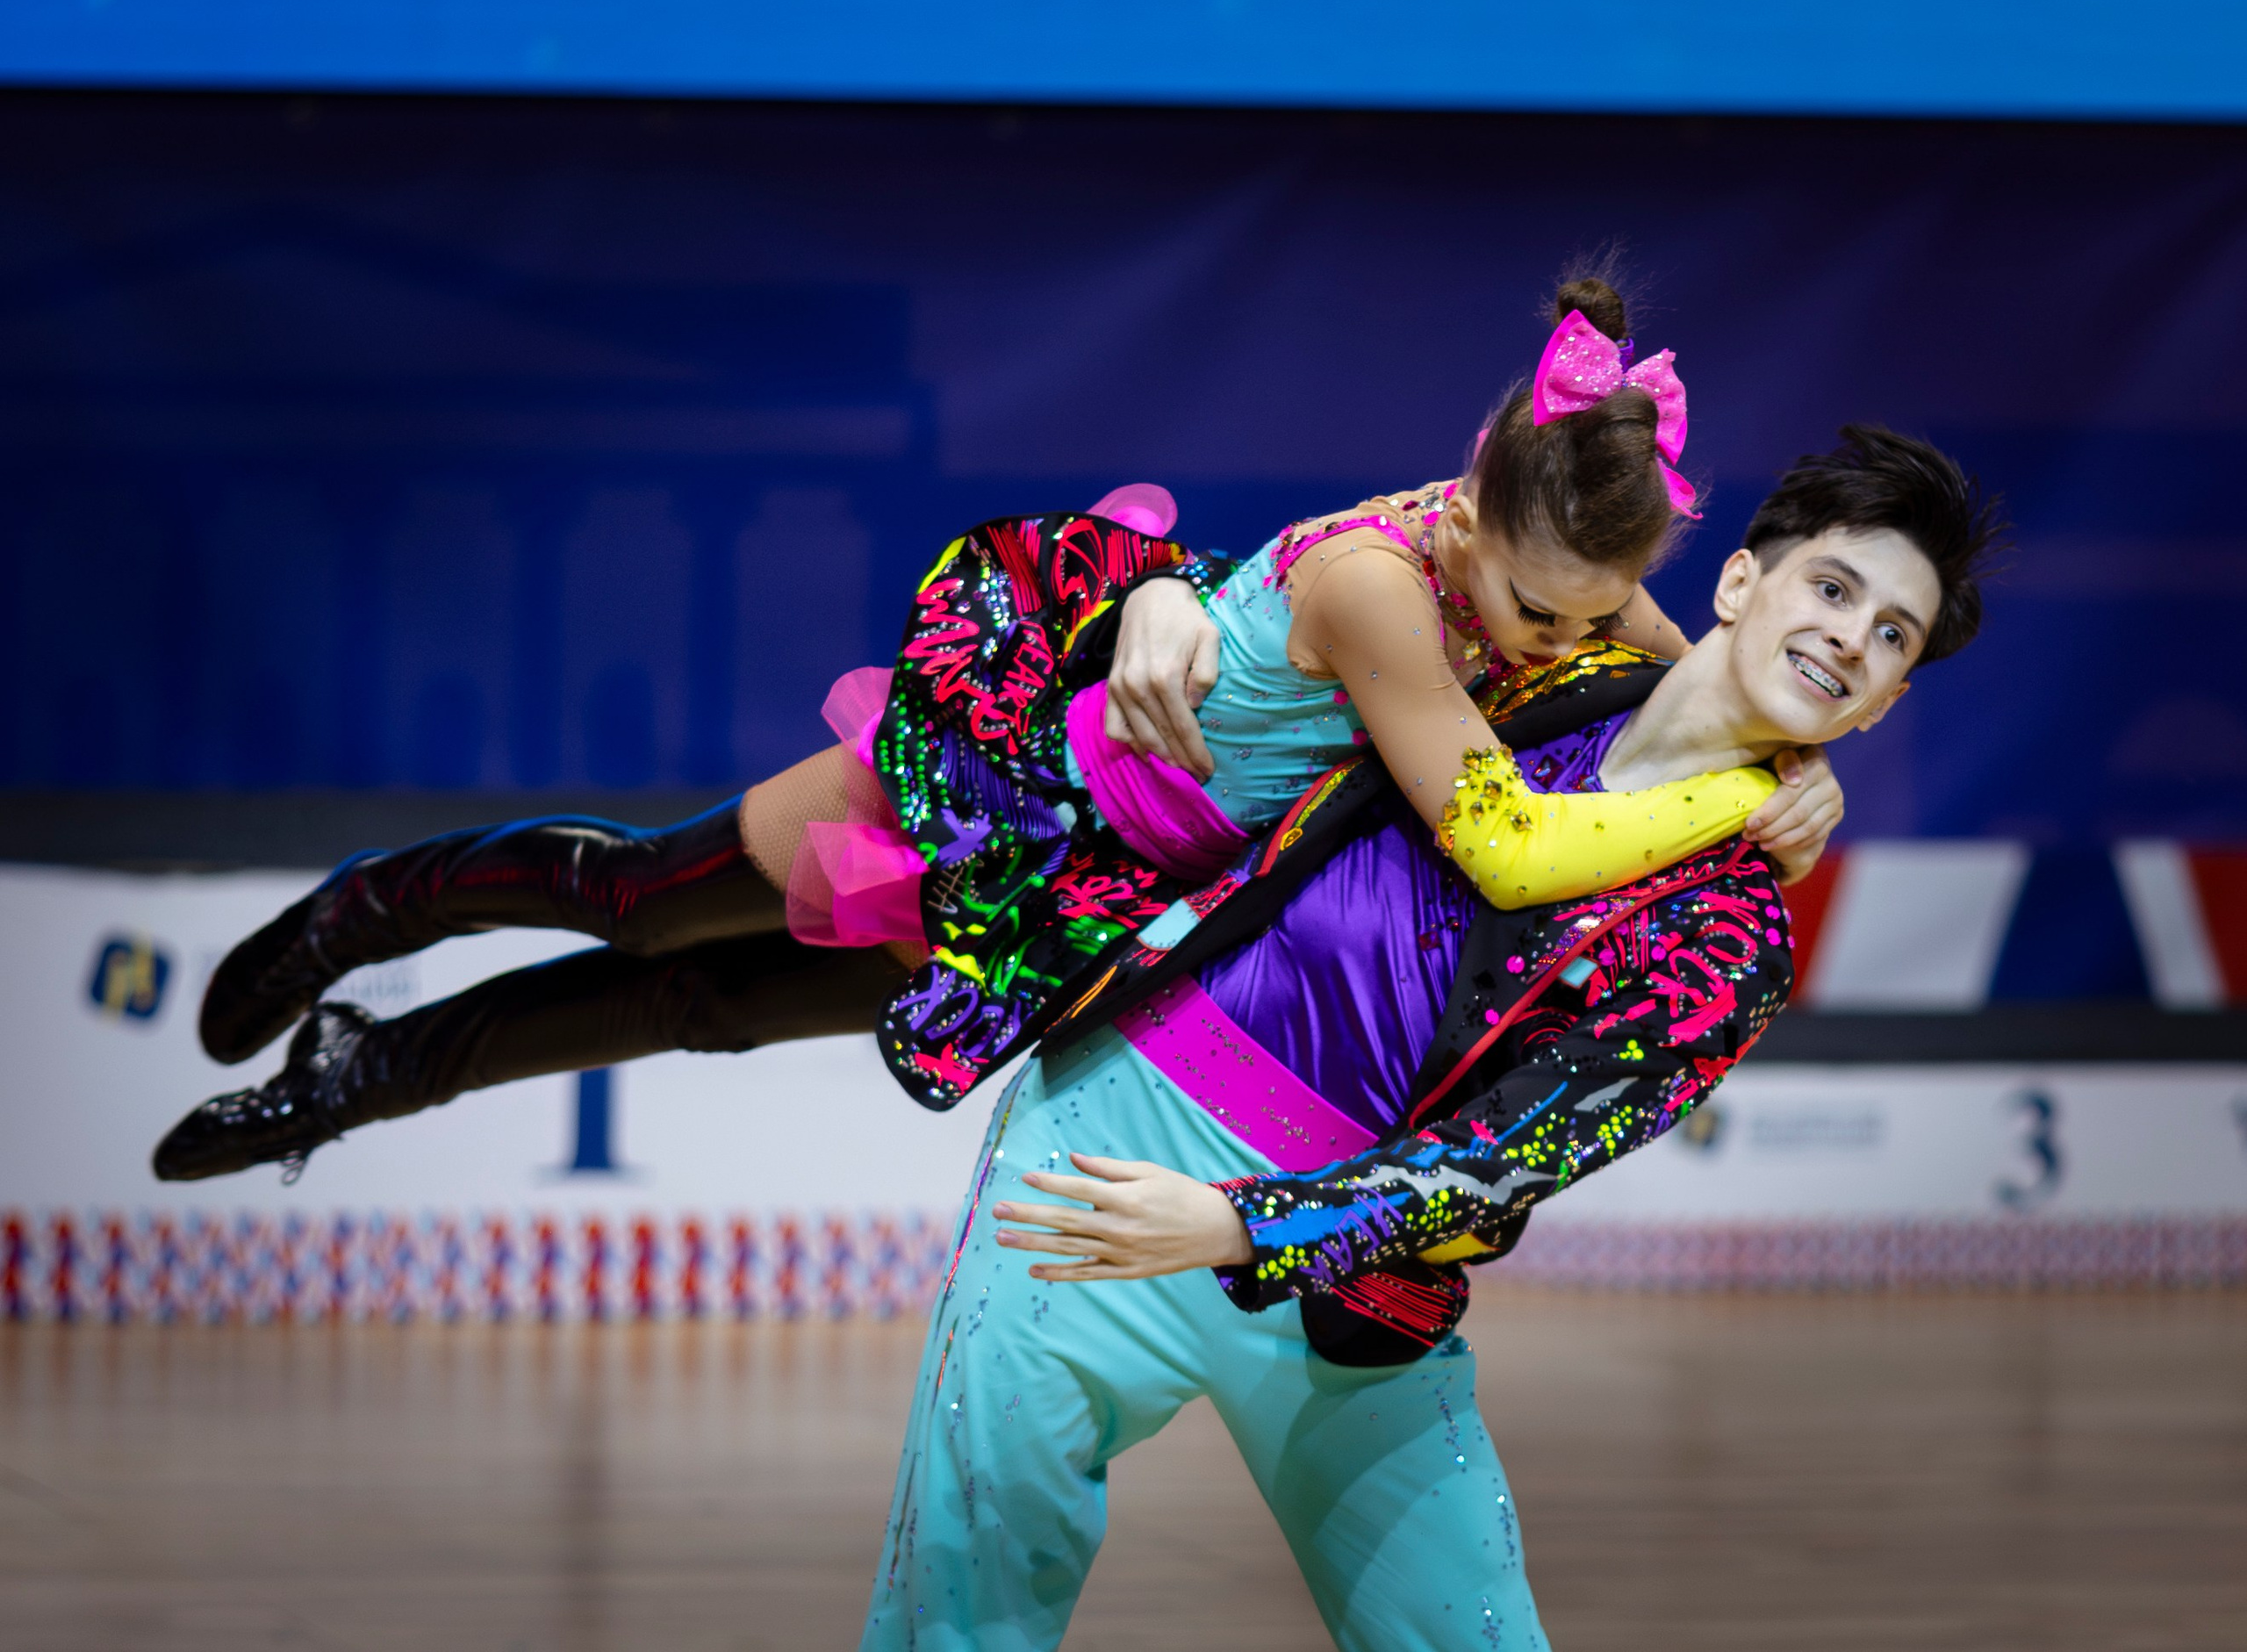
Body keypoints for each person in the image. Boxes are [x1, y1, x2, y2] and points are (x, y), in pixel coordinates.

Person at [152, 272, 1840, 1182]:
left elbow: (1678, 670)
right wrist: (1729, 796)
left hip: (1089, 893)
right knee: (642, 895)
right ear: (1471, 508)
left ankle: (362, 1077)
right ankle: (363, 912)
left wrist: (1792, 759)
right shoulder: (1391, 594)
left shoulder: (1574, 561)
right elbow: (1500, 836)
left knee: (715, 1012)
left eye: (1590, 608)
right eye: (1540, 605)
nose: (1561, 640)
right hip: (1004, 791)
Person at [859, 427, 2002, 1650]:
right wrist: (1157, 596)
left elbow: (1510, 1153)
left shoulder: (1733, 940)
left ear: (1889, 701)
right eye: (1833, 588)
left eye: (1893, 636)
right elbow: (1325, 585)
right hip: (1108, 1139)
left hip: (1344, 1274)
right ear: (1736, 584)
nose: (1848, 634)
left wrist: (1248, 1221)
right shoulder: (1543, 648)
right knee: (957, 1604)